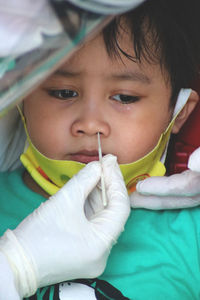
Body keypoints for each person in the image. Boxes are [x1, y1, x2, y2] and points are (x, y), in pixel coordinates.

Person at [1, 0, 200, 299]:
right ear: (20, 99)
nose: (91, 124)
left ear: (179, 112)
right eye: (63, 92)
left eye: (124, 97)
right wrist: (17, 264)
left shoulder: (192, 233)